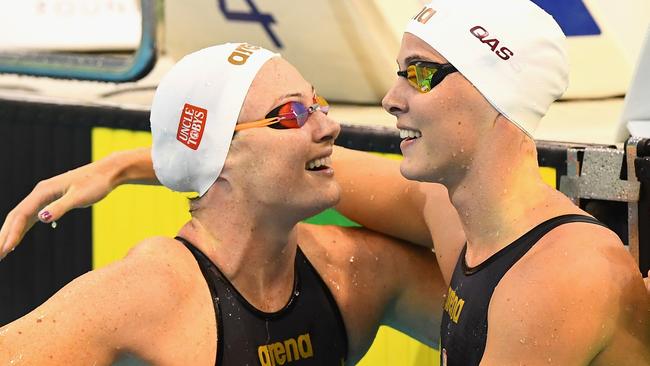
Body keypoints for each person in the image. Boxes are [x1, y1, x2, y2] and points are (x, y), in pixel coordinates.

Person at [2, 1, 650, 365]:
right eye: (294, 114)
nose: (338, 123)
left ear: (493, 91)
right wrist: (131, 165)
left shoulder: (367, 272)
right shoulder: (145, 293)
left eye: (418, 76)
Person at [0, 43, 446, 365]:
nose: (330, 127)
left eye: (319, 104)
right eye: (292, 114)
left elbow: (496, 331)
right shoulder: (141, 297)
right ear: (222, 152)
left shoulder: (356, 273)